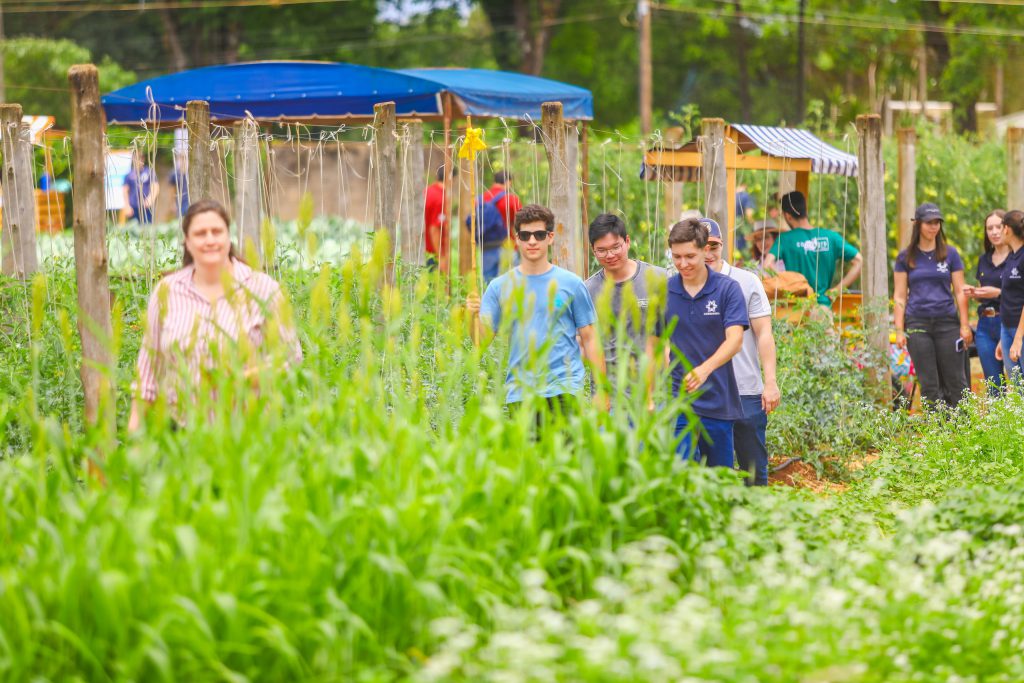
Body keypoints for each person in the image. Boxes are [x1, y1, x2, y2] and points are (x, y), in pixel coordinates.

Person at [128, 199, 302, 431]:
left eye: (217, 232)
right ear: (187, 242)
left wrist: (243, 379)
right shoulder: (168, 291)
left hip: (249, 434)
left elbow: (290, 358)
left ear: (228, 238)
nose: (210, 240)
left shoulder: (263, 289)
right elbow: (149, 370)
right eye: (200, 233)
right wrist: (133, 439)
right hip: (183, 434)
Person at [466, 204, 606, 418]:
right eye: (526, 235)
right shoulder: (499, 287)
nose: (532, 241)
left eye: (539, 235)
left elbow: (590, 338)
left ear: (550, 237)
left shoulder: (572, 284)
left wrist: (602, 390)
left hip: (565, 390)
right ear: (517, 239)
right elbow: (481, 341)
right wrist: (471, 315)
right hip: (521, 394)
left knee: (566, 452)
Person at [649, 218, 749, 466]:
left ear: (706, 251)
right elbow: (653, 346)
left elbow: (735, 340)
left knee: (718, 477)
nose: (683, 264)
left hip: (718, 400)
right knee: (679, 471)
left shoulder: (728, 289)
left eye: (690, 256)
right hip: (678, 401)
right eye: (676, 257)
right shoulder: (664, 292)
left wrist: (705, 369)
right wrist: (649, 394)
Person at [702, 217, 780, 486]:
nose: (707, 253)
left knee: (753, 469)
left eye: (713, 246)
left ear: (722, 245)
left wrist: (770, 382)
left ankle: (758, 521)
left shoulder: (746, 282)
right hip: (705, 392)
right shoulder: (683, 286)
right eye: (701, 247)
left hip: (745, 389)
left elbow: (764, 334)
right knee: (709, 471)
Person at [893, 203, 972, 409]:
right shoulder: (905, 257)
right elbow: (900, 296)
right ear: (918, 224)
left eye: (937, 222)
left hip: (947, 322)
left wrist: (964, 325)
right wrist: (899, 330)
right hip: (917, 323)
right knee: (929, 383)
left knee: (956, 380)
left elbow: (960, 291)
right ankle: (936, 434)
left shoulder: (950, 254)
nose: (934, 227)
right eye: (929, 222)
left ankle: (964, 429)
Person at [584, 213, 667, 398]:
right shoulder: (588, 290)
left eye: (616, 247)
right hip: (610, 397)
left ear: (627, 241)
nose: (610, 255)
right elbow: (585, 344)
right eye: (602, 250)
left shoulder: (658, 279)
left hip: (656, 394)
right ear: (593, 250)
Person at [764, 190, 862, 307]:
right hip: (822, 308)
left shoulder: (785, 239)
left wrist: (789, 282)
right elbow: (859, 261)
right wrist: (836, 290)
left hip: (796, 308)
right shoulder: (831, 237)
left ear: (788, 216)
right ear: (805, 211)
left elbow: (767, 264)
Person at [964, 209, 1008, 395]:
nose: (994, 232)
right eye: (990, 228)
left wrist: (997, 293)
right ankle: (998, 424)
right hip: (985, 326)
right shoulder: (983, 260)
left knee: (1019, 380)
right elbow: (984, 292)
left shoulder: (1018, 257)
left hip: (1011, 323)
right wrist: (975, 293)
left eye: (998, 226)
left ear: (1008, 228)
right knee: (994, 386)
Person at [478, 170, 522, 282]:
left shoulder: (481, 199)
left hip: (486, 247)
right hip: (507, 245)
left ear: (494, 181)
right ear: (509, 182)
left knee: (489, 285)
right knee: (510, 286)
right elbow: (521, 223)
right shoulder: (512, 199)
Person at [997, 210, 1024, 383]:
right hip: (1007, 328)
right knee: (1017, 390)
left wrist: (1018, 338)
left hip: (1020, 330)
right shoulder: (1012, 256)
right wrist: (1004, 338)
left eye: (1000, 227)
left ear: (1006, 229)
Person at [423, 164, 453, 272]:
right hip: (432, 253)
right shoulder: (441, 198)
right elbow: (435, 229)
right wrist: (440, 257)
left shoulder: (427, 191)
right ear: (451, 178)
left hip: (421, 250)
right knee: (436, 286)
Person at [123, 151, 159, 225]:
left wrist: (150, 199)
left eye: (140, 158)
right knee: (133, 231)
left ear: (143, 159)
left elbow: (155, 187)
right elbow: (125, 190)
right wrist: (127, 206)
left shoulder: (149, 172)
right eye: (136, 158)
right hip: (133, 207)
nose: (138, 161)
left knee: (147, 229)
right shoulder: (129, 174)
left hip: (146, 207)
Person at [168, 151, 190, 219]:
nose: (183, 160)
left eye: (185, 158)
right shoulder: (174, 173)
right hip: (179, 202)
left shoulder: (191, 172)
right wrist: (172, 203)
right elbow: (171, 190)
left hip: (190, 201)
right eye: (181, 158)